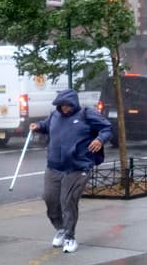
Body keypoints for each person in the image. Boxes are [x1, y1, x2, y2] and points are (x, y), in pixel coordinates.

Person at [29, 89, 112, 253]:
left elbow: (106, 128)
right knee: (50, 199)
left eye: (67, 105)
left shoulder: (85, 114)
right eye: (61, 106)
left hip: (77, 166)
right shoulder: (55, 116)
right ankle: (60, 228)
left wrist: (99, 139)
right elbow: (46, 125)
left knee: (68, 201)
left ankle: (69, 237)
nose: (65, 108)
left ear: (74, 103)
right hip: (54, 166)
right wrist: (38, 126)